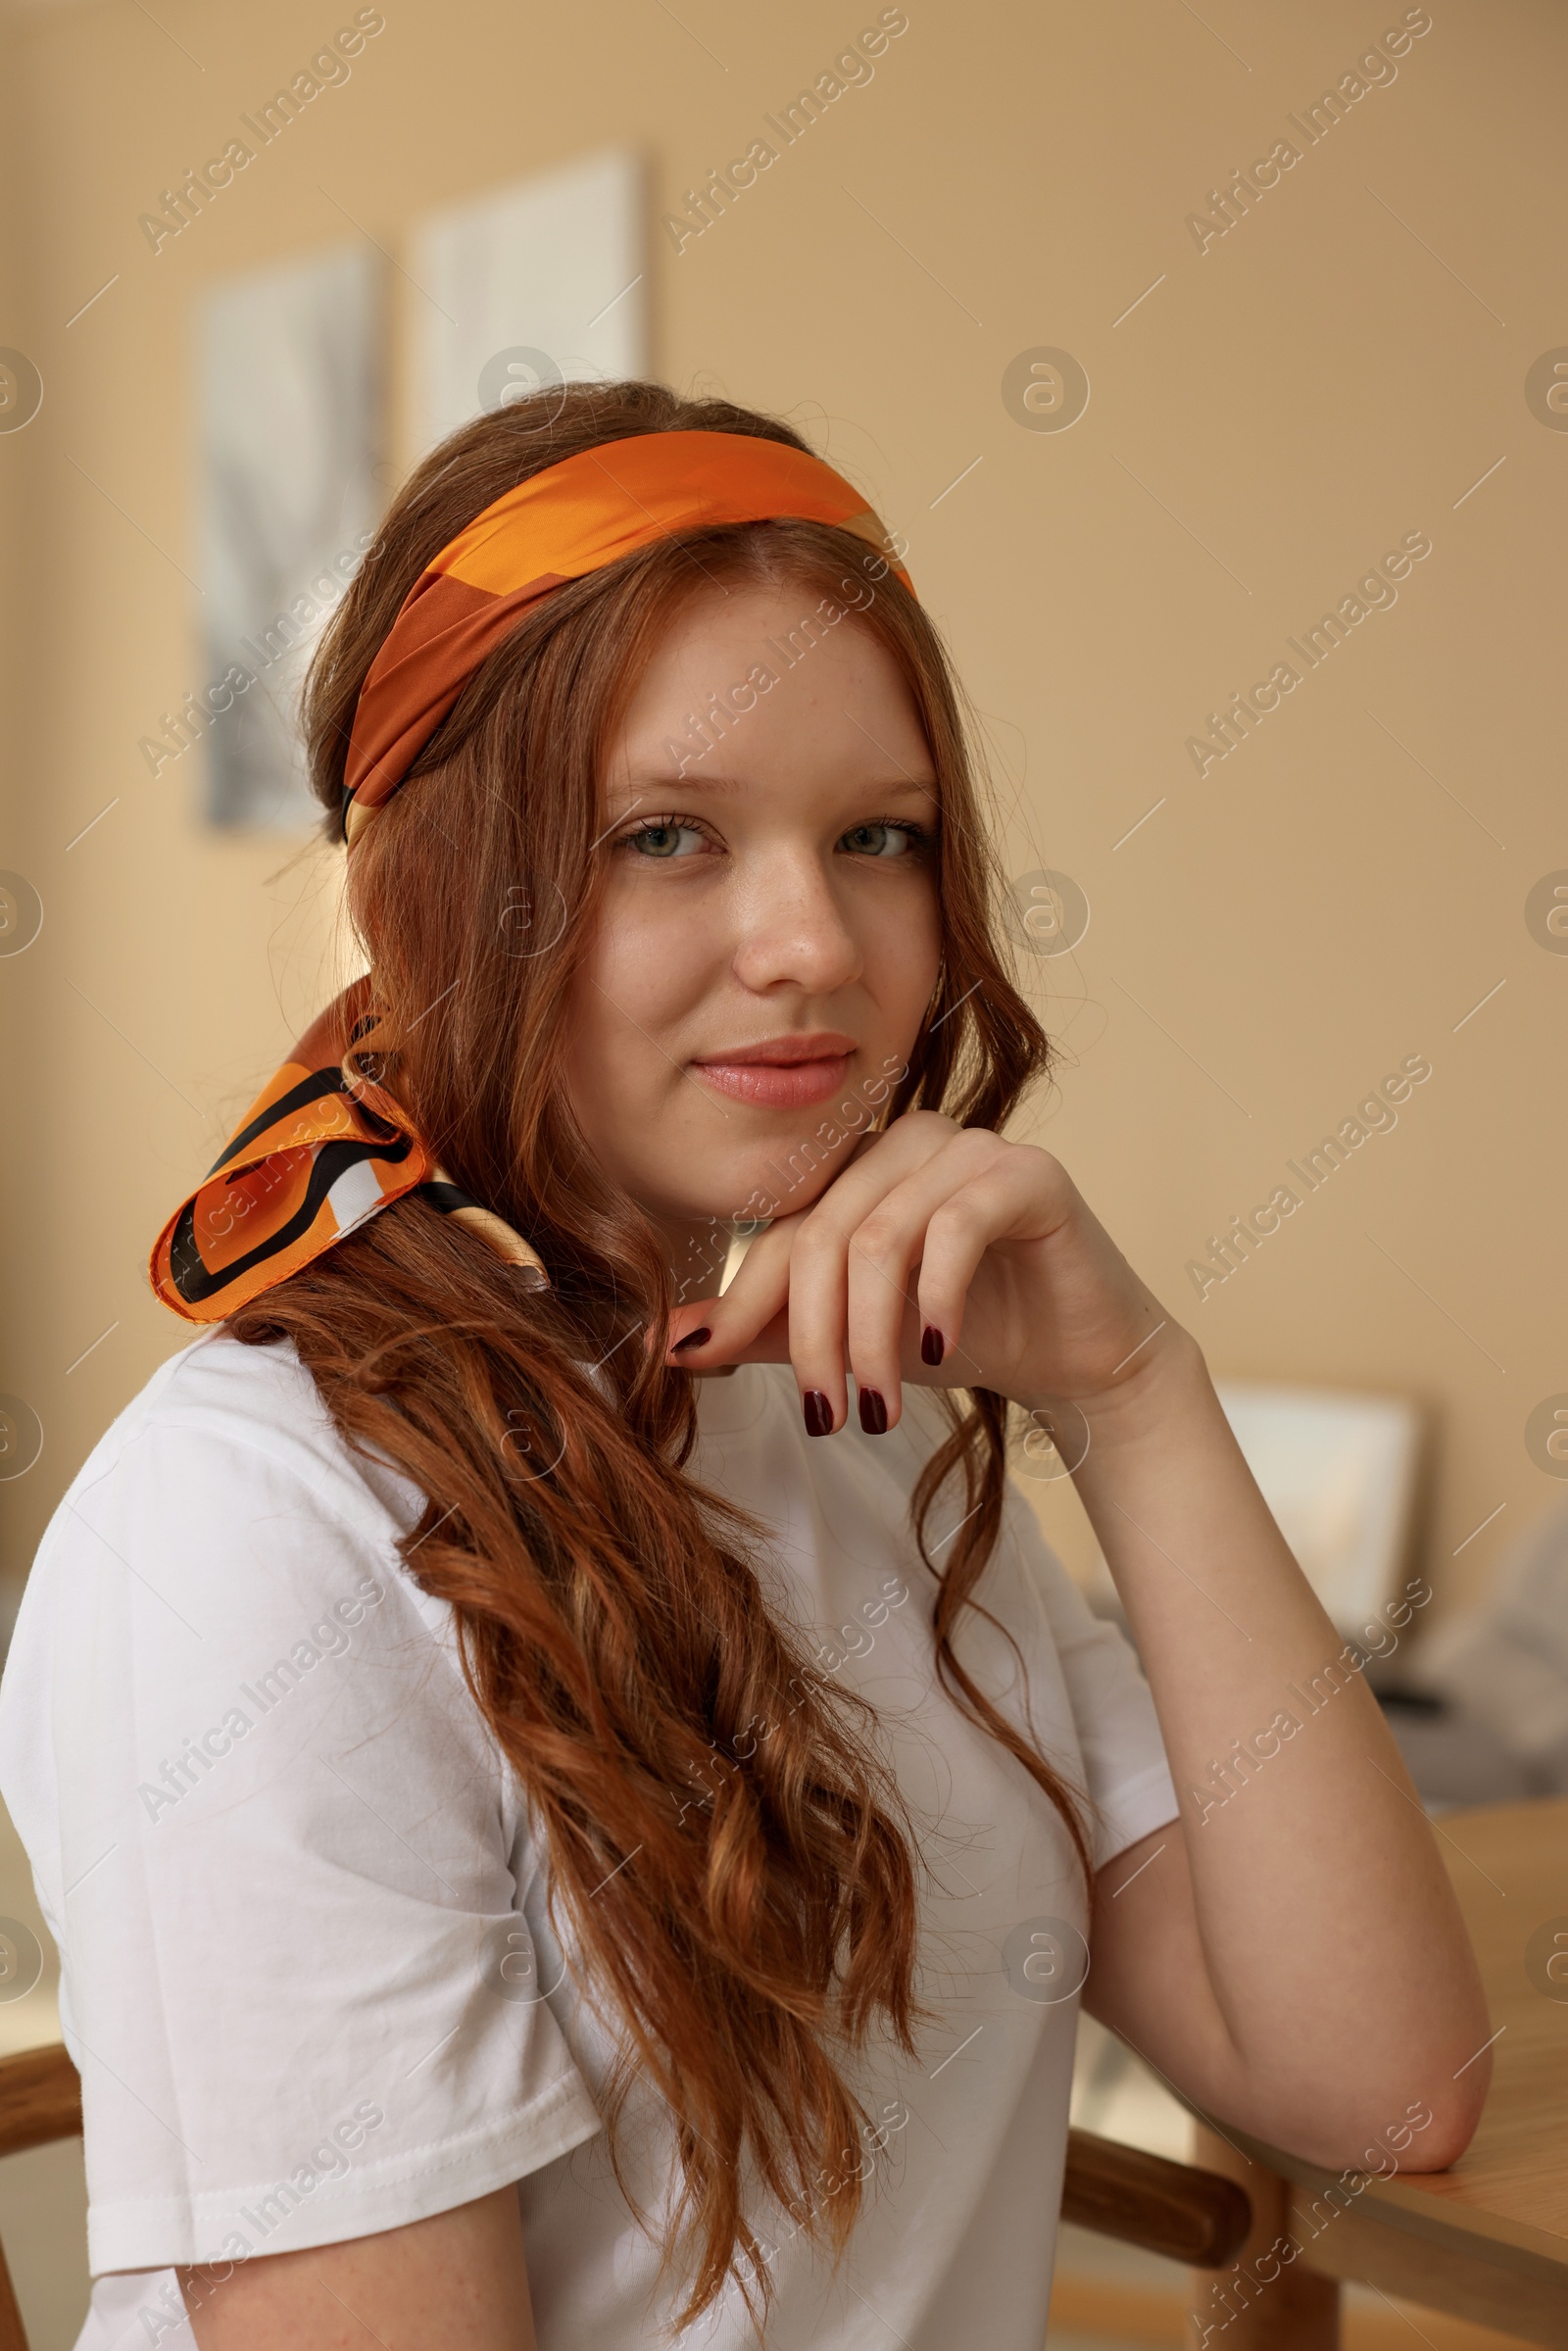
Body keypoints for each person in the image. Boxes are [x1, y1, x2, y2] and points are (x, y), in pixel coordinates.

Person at [0, 383, 1489, 2351]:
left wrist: (1132, 1392)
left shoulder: (839, 1421)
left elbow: (1380, 2088)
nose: (812, 942)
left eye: (876, 836)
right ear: (422, 895)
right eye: (664, 837)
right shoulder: (243, 1533)